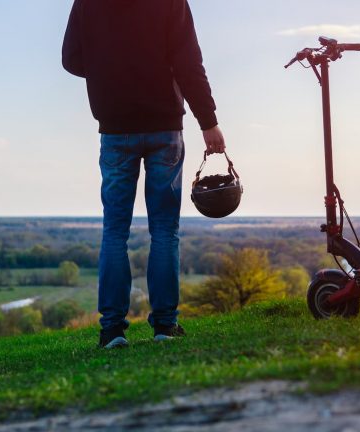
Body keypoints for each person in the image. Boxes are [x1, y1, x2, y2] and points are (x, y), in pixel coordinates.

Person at [62, 0, 225, 349]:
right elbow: (188, 63)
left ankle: (112, 331)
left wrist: (110, 71)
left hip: (115, 127)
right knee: (164, 230)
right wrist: (209, 122)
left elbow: (71, 58)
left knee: (115, 230)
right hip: (164, 126)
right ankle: (165, 325)